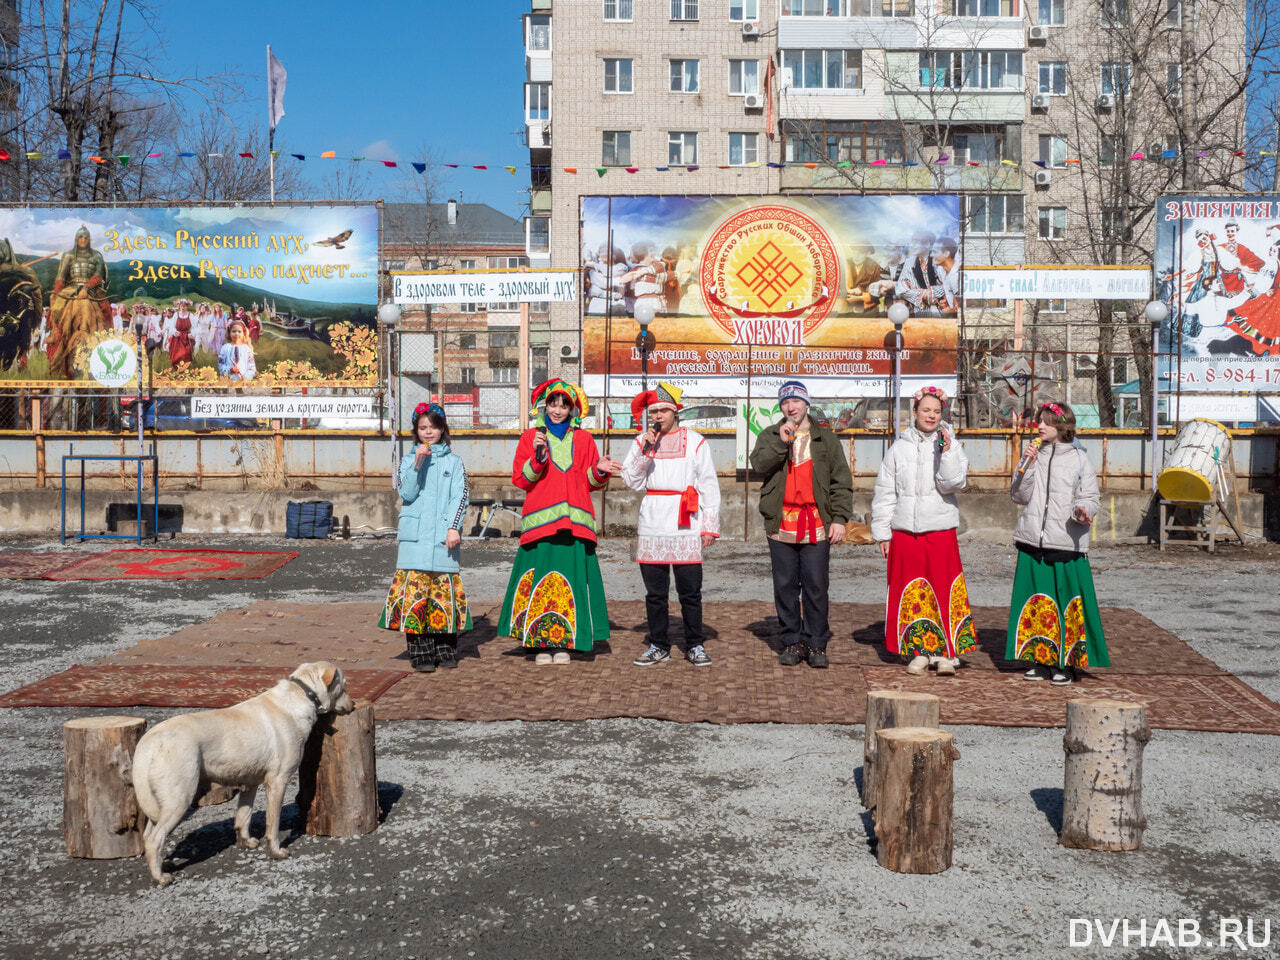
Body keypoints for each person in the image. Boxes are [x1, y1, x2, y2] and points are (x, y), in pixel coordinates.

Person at [497, 379, 623, 664]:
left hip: (575, 525)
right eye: (553, 404)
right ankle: (541, 644)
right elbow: (521, 480)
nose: (557, 410)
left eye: (564, 405)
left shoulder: (584, 440)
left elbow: (589, 482)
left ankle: (566, 642)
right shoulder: (531, 438)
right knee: (542, 580)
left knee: (572, 581)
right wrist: (539, 458)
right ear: (545, 406)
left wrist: (600, 471)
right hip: (541, 526)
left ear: (573, 408)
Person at [871, 386, 976, 676]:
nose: (931, 415)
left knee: (943, 588)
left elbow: (953, 483)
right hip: (905, 532)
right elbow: (885, 492)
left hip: (939, 530)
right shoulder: (898, 448)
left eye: (936, 411)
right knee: (913, 592)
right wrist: (882, 532)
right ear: (914, 412)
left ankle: (946, 653)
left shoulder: (951, 445)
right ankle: (918, 651)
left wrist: (947, 451)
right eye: (926, 410)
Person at [749, 380, 852, 668]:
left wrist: (840, 519)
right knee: (785, 585)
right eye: (785, 403)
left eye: (795, 401)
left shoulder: (826, 440)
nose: (790, 407)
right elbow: (759, 466)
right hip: (781, 522)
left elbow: (840, 481)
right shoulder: (771, 434)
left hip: (817, 522)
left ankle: (817, 643)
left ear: (806, 404)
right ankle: (792, 640)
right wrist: (782, 443)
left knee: (816, 585)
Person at [1007, 401, 1109, 685]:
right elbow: (1019, 496)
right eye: (1039, 421)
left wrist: (1083, 510)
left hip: (1065, 542)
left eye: (1047, 422)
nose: (1040, 426)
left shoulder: (1080, 459)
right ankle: (1041, 660)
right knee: (1038, 604)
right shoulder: (1034, 454)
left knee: (1067, 604)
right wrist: (1025, 466)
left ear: (1062, 427)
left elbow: (1090, 496)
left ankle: (1066, 663)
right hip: (1032, 540)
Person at [622, 382, 721, 668]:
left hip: (686, 520)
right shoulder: (642, 442)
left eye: (664, 410)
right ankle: (658, 644)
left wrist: (709, 525)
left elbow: (708, 483)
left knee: (690, 591)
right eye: (654, 411)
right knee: (655, 593)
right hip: (653, 521)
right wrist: (646, 452)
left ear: (675, 411)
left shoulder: (696, 441)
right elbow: (631, 481)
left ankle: (695, 644)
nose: (659, 416)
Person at [378, 403, 471, 672]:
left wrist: (454, 528)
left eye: (432, 426)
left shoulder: (454, 462)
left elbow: (460, 496)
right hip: (415, 540)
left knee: (442, 595)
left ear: (442, 429)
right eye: (422, 427)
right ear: (416, 431)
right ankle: (420, 654)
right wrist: (417, 464)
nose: (428, 432)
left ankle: (446, 650)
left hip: (444, 539)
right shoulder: (407, 460)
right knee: (417, 596)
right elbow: (406, 493)